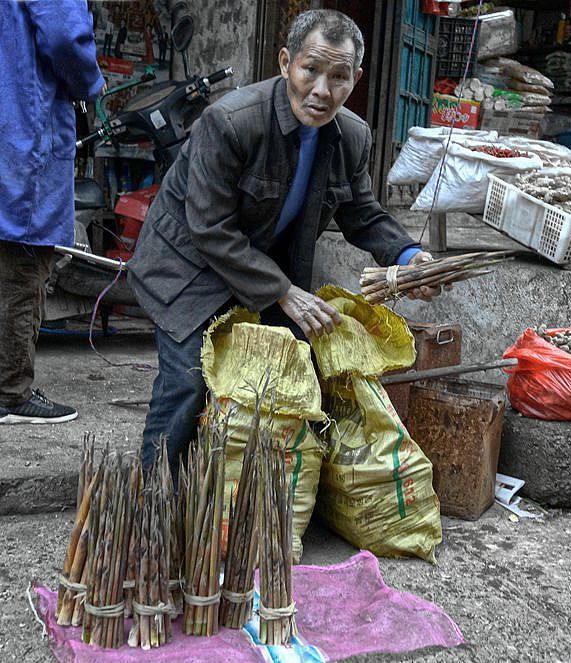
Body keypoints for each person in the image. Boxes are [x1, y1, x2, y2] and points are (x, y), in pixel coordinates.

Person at [128, 9, 441, 473]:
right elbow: (210, 228)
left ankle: (267, 491)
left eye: (338, 76)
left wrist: (410, 257)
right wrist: (283, 292)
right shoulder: (231, 122)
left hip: (261, 267)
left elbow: (362, 214)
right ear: (285, 63)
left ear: (355, 79)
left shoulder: (352, 136)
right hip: (187, 266)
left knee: (303, 368)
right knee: (190, 380)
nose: (321, 90)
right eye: (310, 69)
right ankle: (152, 494)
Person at [0, 1, 105, 425]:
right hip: (21, 126)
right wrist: (90, 86)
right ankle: (9, 392)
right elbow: (65, 36)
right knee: (22, 261)